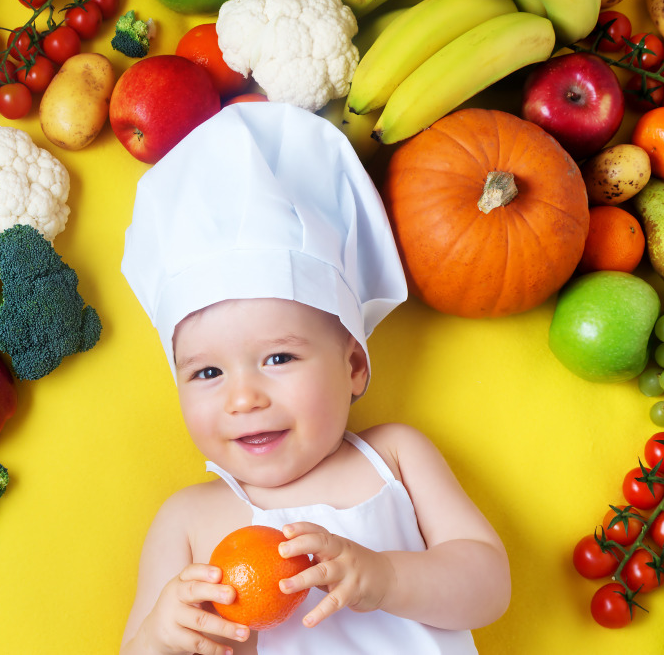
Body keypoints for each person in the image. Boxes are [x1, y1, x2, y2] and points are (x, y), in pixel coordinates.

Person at [119, 102, 510, 655]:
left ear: (353, 366)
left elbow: (489, 587)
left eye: (279, 358)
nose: (243, 398)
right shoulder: (186, 521)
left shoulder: (395, 457)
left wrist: (384, 577)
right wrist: (161, 637)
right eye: (207, 372)